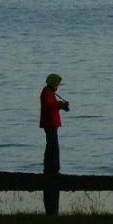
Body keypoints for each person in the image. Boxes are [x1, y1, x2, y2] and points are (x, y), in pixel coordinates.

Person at [39, 73, 69, 216]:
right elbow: (49, 106)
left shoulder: (49, 92)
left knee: (51, 145)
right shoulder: (47, 92)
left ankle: (50, 167)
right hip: (49, 122)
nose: (58, 85)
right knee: (53, 146)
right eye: (57, 83)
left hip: (51, 122)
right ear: (52, 83)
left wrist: (61, 106)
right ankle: (52, 168)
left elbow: (52, 106)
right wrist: (60, 105)